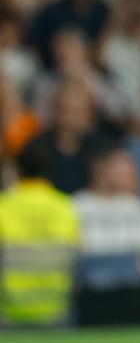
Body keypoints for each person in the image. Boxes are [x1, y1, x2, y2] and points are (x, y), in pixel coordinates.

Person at [0, 140, 81, 326]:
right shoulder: (65, 207)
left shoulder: (3, 207)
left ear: (18, 170)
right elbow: (77, 258)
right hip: (57, 312)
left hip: (8, 314)